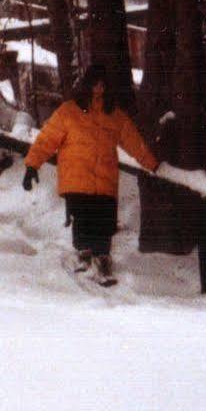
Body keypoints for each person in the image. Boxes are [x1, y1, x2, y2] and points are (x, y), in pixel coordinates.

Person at [22, 64, 161, 284]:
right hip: (77, 179)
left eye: (103, 84)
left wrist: (152, 164)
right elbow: (47, 139)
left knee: (105, 222)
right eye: (95, 83)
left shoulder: (114, 115)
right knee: (84, 218)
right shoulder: (69, 111)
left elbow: (134, 143)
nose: (99, 88)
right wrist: (32, 165)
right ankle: (84, 255)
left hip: (104, 180)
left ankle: (103, 261)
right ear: (87, 84)